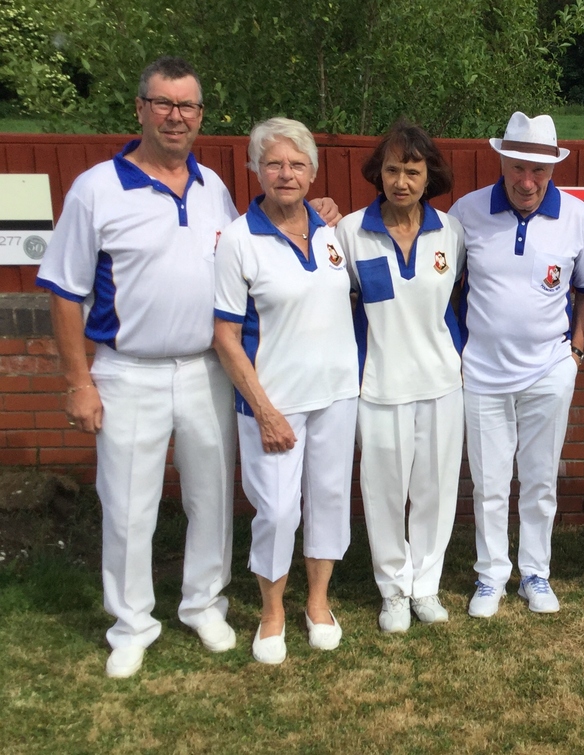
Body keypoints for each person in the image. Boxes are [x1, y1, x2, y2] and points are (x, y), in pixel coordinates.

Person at [34, 56, 335, 678]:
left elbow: (258, 248)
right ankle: (132, 623)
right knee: (127, 504)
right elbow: (63, 291)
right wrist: (77, 382)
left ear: (200, 116)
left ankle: (204, 603)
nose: (176, 116)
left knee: (210, 496)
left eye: (188, 106)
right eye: (164, 103)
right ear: (140, 108)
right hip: (128, 369)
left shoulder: (212, 190)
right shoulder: (97, 189)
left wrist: (319, 213)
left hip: (206, 367)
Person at [212, 118, 359, 665]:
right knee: (275, 510)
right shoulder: (238, 239)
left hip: (337, 394)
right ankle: (272, 611)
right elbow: (225, 335)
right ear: (256, 169)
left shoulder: (328, 231)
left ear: (313, 171)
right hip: (273, 403)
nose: (286, 173)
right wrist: (264, 409)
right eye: (274, 163)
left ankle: (317, 603)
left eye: (297, 164)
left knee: (329, 500)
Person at [449, 112, 584, 618]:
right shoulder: (467, 212)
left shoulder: (577, 217)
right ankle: (491, 575)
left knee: (539, 480)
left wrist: (576, 349)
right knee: (489, 481)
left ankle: (535, 572)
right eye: (517, 168)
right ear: (503, 163)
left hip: (549, 368)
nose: (527, 181)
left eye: (539, 171)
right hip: (483, 372)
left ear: (553, 169)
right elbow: (446, 285)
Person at [336, 119, 466, 632]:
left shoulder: (449, 231)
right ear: (379, 173)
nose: (402, 182)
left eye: (413, 171)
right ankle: (393, 589)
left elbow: (460, 300)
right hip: (380, 386)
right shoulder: (350, 231)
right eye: (392, 170)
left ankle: (426, 586)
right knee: (385, 493)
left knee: (436, 490)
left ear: (428, 174)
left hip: (441, 382)